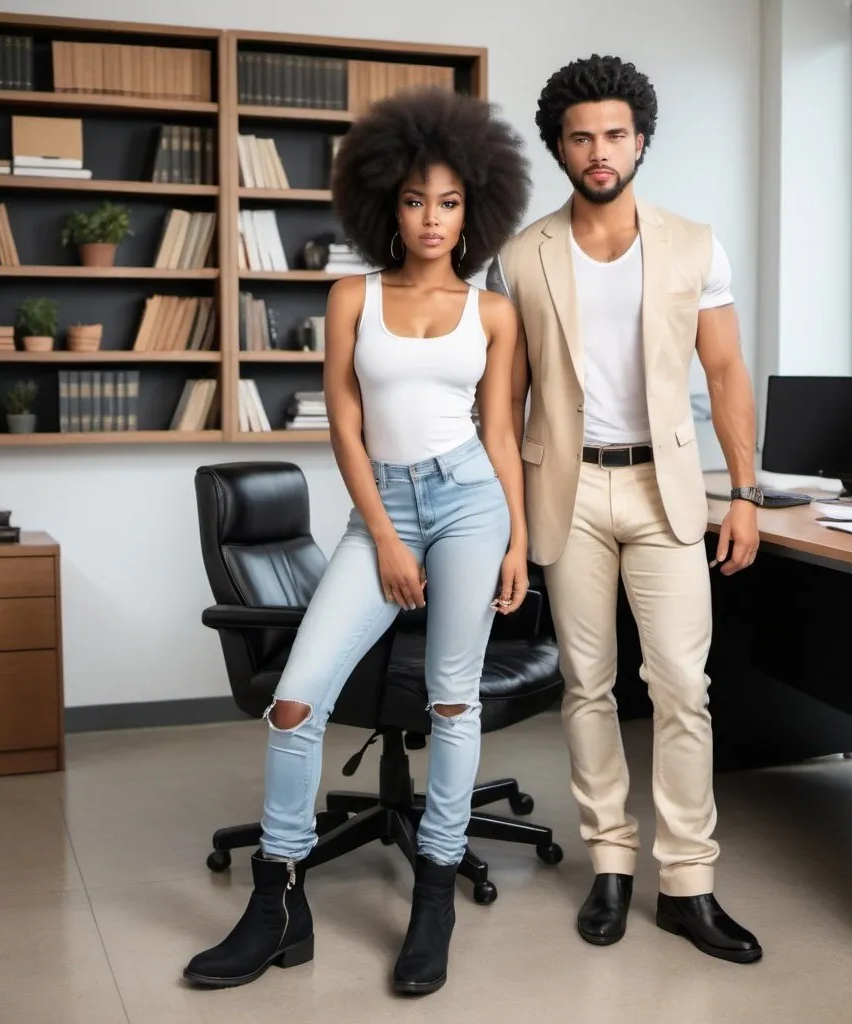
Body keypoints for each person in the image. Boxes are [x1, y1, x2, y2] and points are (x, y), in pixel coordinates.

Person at [184, 87, 531, 996]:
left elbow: (501, 438)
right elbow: (344, 425)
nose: (432, 218)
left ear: (474, 209)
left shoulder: (493, 314)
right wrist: (382, 533)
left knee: (454, 702)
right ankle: (278, 897)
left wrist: (517, 541)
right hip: (382, 509)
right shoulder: (352, 297)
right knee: (295, 700)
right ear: (386, 202)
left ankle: (434, 894)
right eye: (416, 200)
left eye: (450, 202)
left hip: (470, 503)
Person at [487, 54, 764, 963]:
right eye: (581, 137)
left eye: (614, 134)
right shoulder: (519, 254)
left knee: (684, 689)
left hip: (665, 490)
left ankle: (688, 883)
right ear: (560, 147)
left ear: (640, 139)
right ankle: (611, 861)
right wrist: (514, 530)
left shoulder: (695, 243)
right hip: (566, 490)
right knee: (587, 685)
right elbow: (504, 402)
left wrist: (747, 494)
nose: (599, 151)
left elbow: (724, 373)